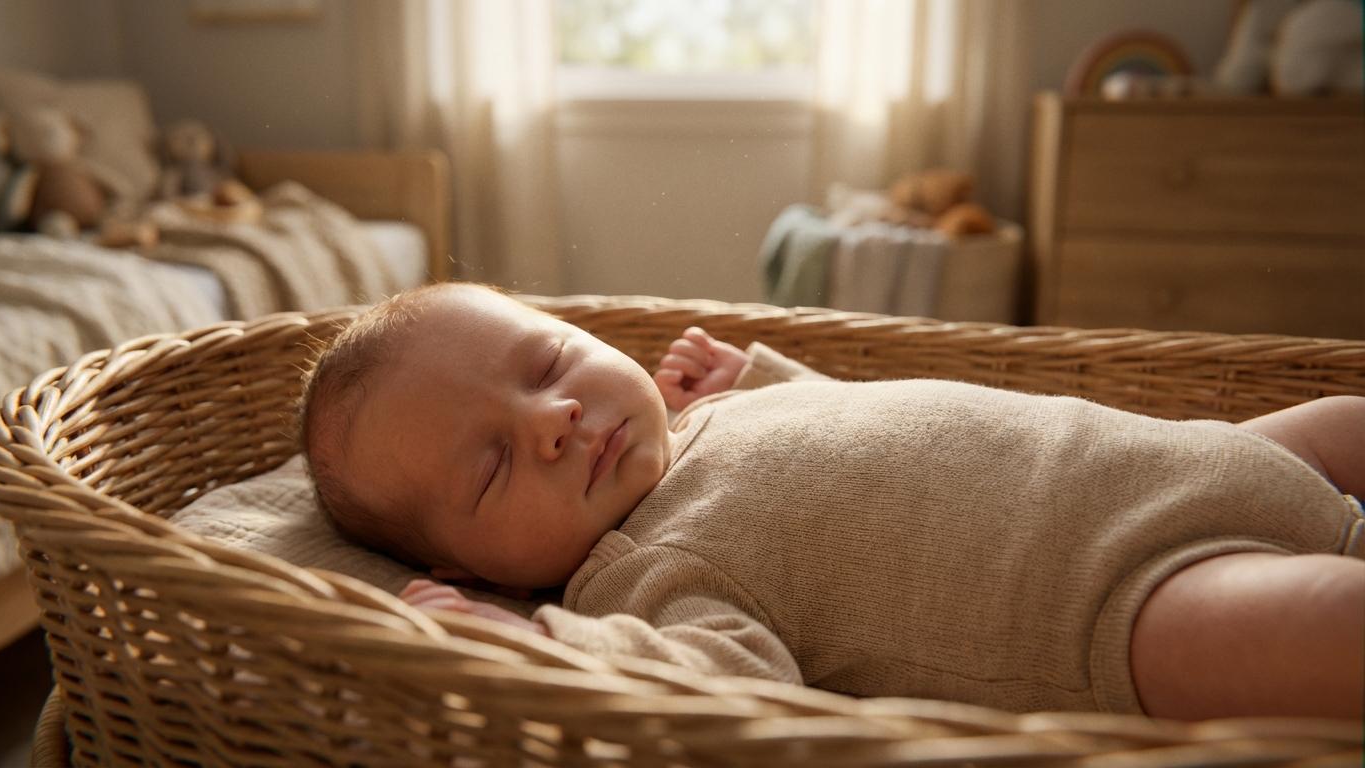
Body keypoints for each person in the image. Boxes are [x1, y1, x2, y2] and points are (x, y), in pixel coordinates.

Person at [299, 282, 1365, 720]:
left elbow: (867, 428)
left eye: (551, 362)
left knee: (1343, 418)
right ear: (475, 568)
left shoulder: (701, 427)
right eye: (491, 468)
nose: (554, 419)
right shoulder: (647, 574)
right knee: (1324, 627)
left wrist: (754, 380)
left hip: (1187, 457)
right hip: (1119, 598)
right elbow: (717, 685)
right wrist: (528, 643)